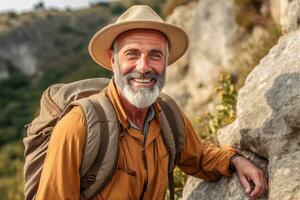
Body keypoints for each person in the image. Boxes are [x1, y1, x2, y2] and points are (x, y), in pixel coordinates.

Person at [36, 5, 267, 200]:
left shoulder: (166, 115)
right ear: (112, 60)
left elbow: (198, 157)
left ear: (166, 62)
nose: (144, 67)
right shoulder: (78, 126)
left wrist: (235, 160)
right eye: (132, 54)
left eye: (155, 55)